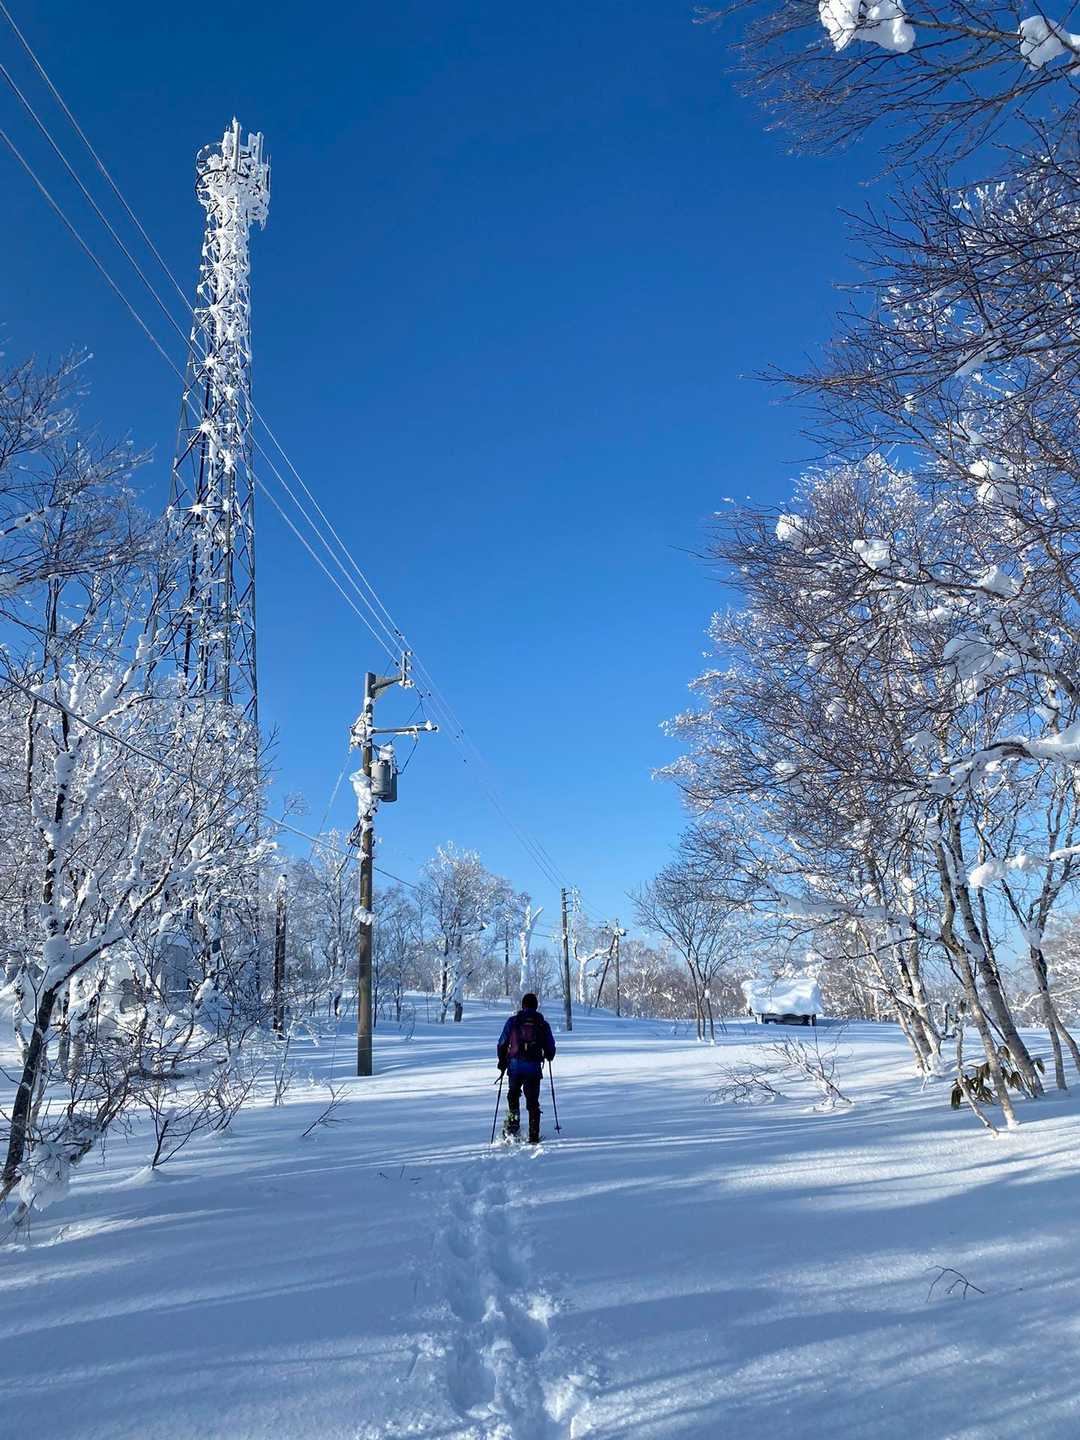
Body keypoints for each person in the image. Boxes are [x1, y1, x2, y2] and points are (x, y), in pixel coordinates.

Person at [497, 993, 556, 1144]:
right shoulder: (542, 1024)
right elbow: (550, 1048)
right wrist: (549, 1055)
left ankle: (512, 1130)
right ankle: (533, 1135)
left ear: (523, 1005)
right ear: (536, 1006)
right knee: (532, 1101)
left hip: (515, 1067)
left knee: (513, 1097)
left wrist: (502, 1061)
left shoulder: (513, 1021)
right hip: (533, 1068)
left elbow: (502, 1043)